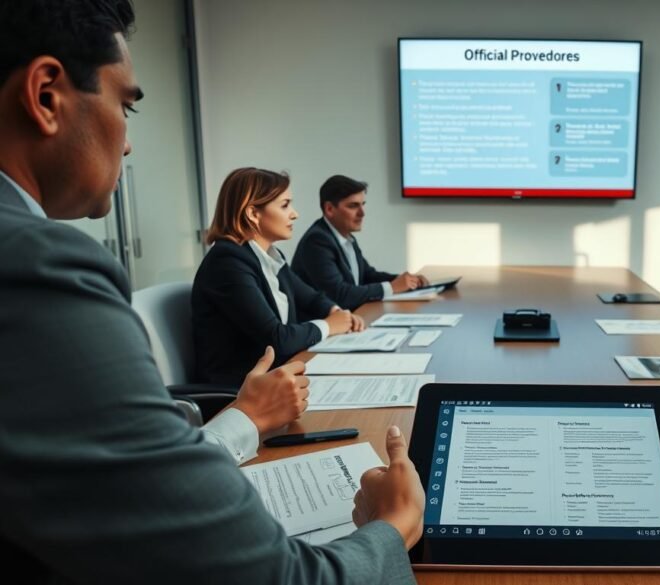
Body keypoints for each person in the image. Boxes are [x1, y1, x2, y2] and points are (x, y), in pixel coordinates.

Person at [0, 1, 423, 582]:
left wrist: (242, 418)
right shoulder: (39, 268)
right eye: (126, 105)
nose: (126, 144)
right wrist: (394, 527)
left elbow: (121, 475)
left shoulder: (267, 258)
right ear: (47, 95)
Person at [192, 168, 367, 386]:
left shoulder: (269, 256)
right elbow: (276, 339)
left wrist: (338, 313)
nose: (294, 214)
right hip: (240, 394)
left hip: (277, 378)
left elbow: (310, 297)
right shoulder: (227, 263)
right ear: (253, 214)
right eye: (285, 205)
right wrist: (330, 325)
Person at [292, 174, 428, 310]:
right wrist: (392, 287)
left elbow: (367, 276)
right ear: (329, 209)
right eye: (353, 206)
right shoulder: (317, 241)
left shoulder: (344, 236)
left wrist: (406, 281)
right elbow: (339, 296)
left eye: (363, 205)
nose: (362, 213)